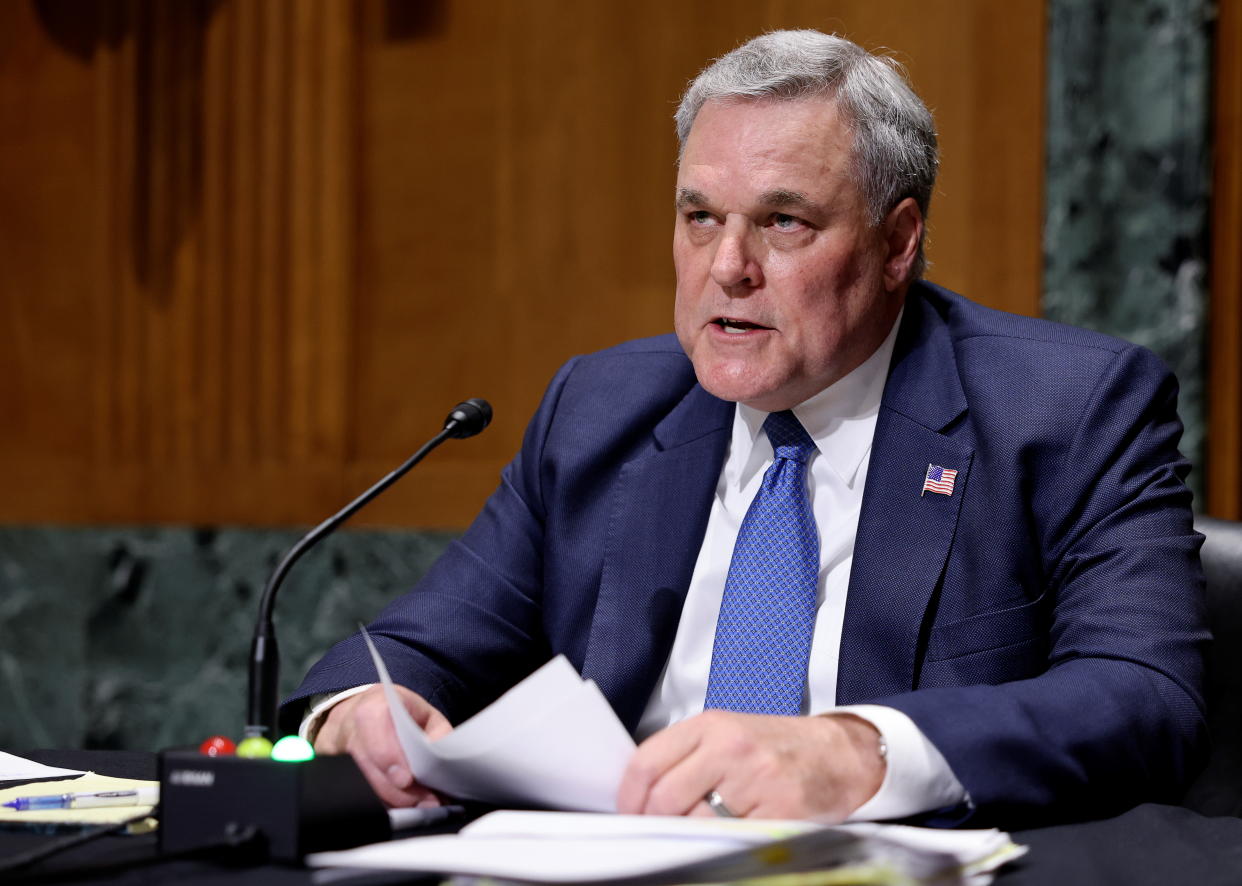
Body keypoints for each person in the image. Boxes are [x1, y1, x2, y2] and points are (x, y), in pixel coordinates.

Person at [284, 30, 1207, 828]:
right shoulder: (600, 409)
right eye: (700, 217)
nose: (727, 266)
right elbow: (421, 643)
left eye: (783, 221)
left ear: (898, 244)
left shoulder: (1067, 410)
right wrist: (363, 710)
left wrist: (860, 751)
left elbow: (1145, 698)